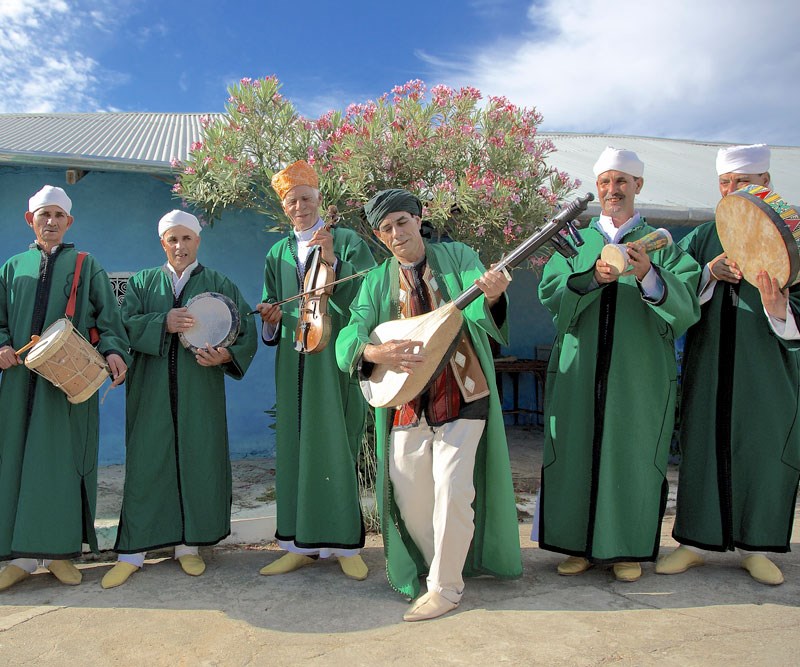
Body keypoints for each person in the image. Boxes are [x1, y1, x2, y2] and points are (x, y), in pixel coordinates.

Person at [336, 188, 522, 622]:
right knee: (412, 499)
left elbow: (481, 307)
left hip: (462, 392)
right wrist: (373, 354)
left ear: (418, 219)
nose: (396, 233)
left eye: (402, 222)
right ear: (380, 237)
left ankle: (445, 587)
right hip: (406, 403)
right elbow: (351, 333)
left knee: (454, 489)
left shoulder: (456, 256)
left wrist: (493, 294)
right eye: (386, 228)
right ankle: (444, 563)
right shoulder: (377, 279)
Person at [536, 148, 700, 582]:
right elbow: (551, 296)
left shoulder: (663, 245)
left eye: (622, 181)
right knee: (574, 452)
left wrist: (648, 275)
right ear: (598, 188)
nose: (613, 189)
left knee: (631, 455)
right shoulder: (577, 243)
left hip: (638, 375)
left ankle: (625, 550)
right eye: (606, 182)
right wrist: (592, 277)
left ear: (638, 186)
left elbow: (686, 307)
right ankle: (578, 548)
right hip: (579, 369)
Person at [657, 144, 800, 586]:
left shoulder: (793, 237)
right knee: (702, 446)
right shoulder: (703, 236)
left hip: (767, 370)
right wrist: (706, 275)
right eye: (725, 182)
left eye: (743, 182)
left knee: (762, 450)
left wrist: (780, 308)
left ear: (766, 184)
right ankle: (696, 543)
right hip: (708, 365)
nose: (732, 190)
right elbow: (673, 288)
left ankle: (757, 547)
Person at [101, 210, 257, 588]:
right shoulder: (141, 283)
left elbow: (244, 330)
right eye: (172, 239)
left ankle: (189, 546)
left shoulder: (219, 283)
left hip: (199, 390)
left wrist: (226, 356)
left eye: (186, 238)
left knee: (197, 459)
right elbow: (120, 327)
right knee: (147, 464)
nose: (180, 246)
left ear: (197, 242)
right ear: (162, 243)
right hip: (150, 390)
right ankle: (133, 552)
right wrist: (162, 323)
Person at [0, 185, 129, 592]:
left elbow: (108, 319)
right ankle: (18, 559)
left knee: (60, 466)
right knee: (15, 465)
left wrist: (112, 351)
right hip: (19, 383)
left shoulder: (85, 265)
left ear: (69, 221)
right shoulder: (11, 267)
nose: (51, 222)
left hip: (68, 384)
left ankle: (59, 555)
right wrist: (2, 344)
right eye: (44, 215)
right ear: (30, 220)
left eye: (59, 215)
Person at [255, 161, 375, 581]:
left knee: (335, 442)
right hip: (293, 362)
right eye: (293, 202)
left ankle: (345, 544)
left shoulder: (345, 241)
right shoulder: (277, 252)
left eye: (307, 198)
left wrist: (333, 263)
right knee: (294, 445)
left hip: (334, 360)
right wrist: (270, 315)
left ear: (319, 199)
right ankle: (295, 544)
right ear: (285, 209)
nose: (300, 207)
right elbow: (273, 301)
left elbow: (368, 296)